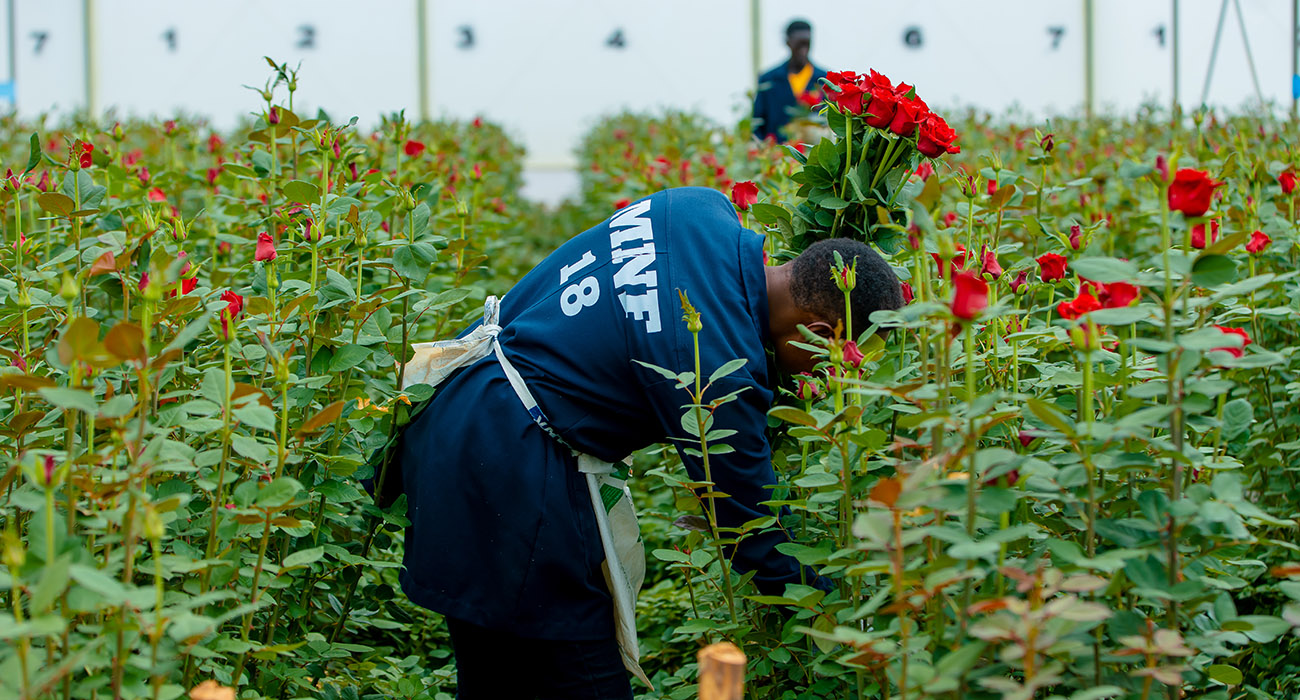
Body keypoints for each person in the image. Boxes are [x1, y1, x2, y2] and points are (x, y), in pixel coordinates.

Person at [382, 187, 903, 698]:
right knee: (583, 672)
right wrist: (839, 622)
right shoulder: (716, 368)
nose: (834, 375)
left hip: (459, 408)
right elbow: (747, 525)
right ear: (814, 330)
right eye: (837, 357)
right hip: (508, 468)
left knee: (499, 670)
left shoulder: (695, 207)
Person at [752, 20, 827, 143]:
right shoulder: (769, 80)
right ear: (788, 42)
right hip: (776, 155)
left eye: (807, 44)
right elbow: (757, 124)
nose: (803, 50)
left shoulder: (824, 80)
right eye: (799, 45)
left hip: (813, 156)